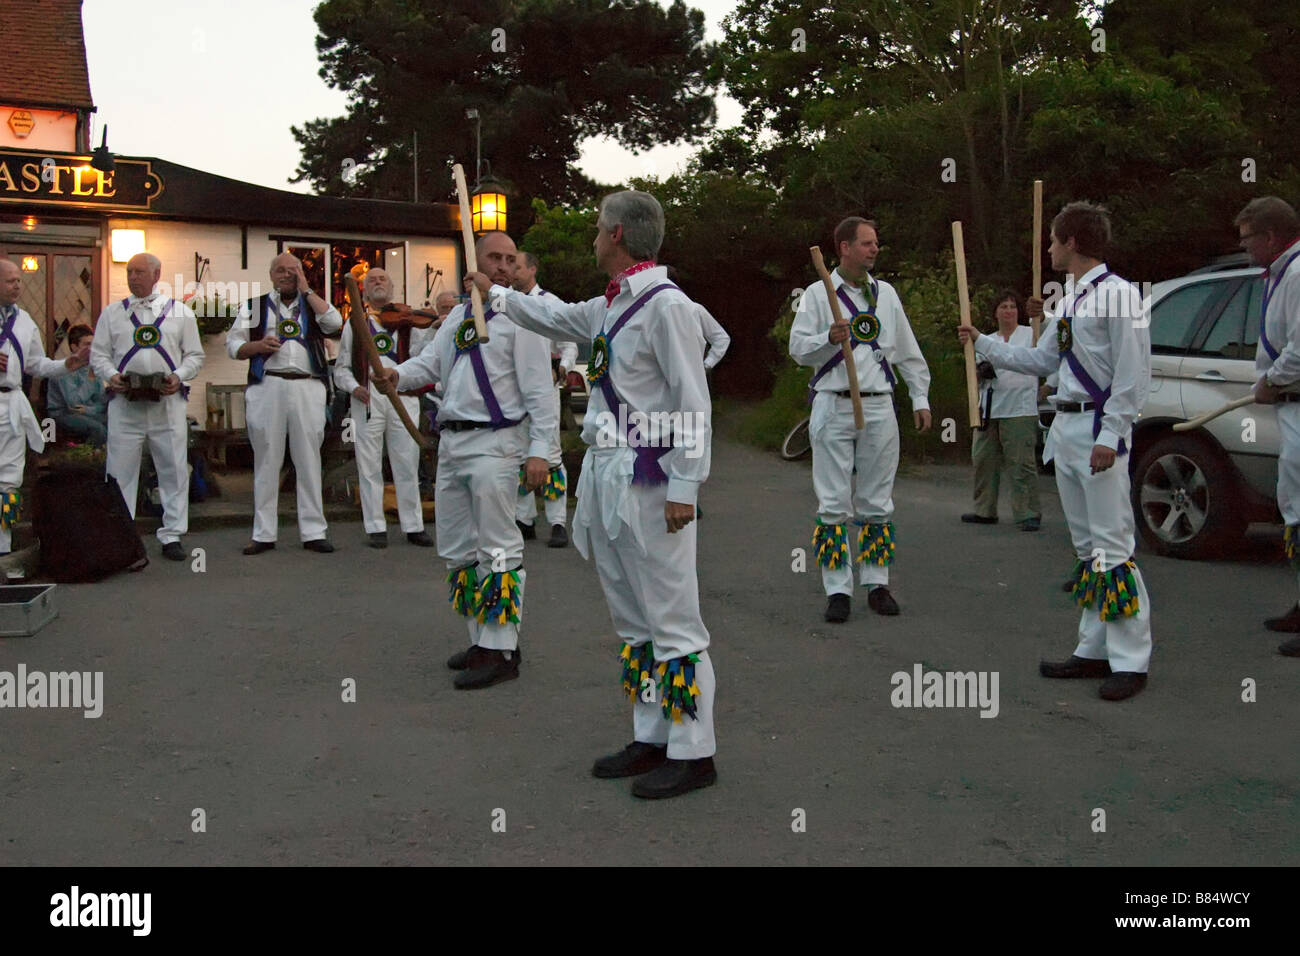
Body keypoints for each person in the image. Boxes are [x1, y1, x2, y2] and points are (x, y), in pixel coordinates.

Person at [465, 191, 717, 800]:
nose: (594, 235)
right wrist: (494, 293)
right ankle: (651, 734)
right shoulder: (610, 305)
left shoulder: (667, 306)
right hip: (606, 475)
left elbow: (693, 400)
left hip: (651, 478)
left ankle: (694, 751)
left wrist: (685, 485)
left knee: (673, 620)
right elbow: (551, 318)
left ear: (619, 235)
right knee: (633, 620)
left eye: (600, 227)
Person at [958, 201, 1153, 700]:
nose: (1047, 248)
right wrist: (982, 342)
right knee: (1087, 549)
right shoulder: (1070, 300)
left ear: (1072, 242)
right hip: (1065, 426)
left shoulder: (1119, 295)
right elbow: (1042, 360)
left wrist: (1111, 435)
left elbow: (1133, 373)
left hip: (1097, 428)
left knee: (1113, 546)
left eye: (1052, 240)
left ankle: (1131, 660)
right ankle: (1093, 647)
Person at [375, 231, 556, 691]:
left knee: (498, 547)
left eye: (510, 260)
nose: (503, 267)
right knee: (458, 549)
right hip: (452, 442)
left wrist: (541, 451)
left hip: (496, 443)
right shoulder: (456, 316)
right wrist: (396, 374)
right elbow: (430, 366)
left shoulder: (521, 316)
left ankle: (503, 650)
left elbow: (540, 390)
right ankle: (481, 640)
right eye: (494, 258)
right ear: (474, 262)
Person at [789, 216, 932, 623]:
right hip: (833, 403)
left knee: (876, 499)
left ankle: (877, 582)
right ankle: (837, 589)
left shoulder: (886, 294)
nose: (875, 249)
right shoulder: (818, 294)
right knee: (834, 501)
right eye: (867, 243)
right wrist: (828, 339)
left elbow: (906, 349)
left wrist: (919, 396)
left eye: (876, 243)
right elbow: (798, 349)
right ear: (845, 248)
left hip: (879, 404)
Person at [90, 253, 203, 562]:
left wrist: (178, 376)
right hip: (124, 406)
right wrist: (111, 375)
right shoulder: (112, 313)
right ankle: (122, 538)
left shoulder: (180, 313)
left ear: (157, 274)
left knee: (173, 469)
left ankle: (172, 535)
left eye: (139, 271)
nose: (132, 277)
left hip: (167, 405)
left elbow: (195, 355)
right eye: (129, 272)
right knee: (119, 471)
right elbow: (99, 354)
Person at [228, 253, 341, 555]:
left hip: (308, 385)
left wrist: (308, 290)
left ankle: (314, 531)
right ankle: (263, 533)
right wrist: (256, 346)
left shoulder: (313, 305)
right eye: (280, 270)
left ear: (302, 274)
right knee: (267, 459)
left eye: (294, 270)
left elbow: (334, 323)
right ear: (271, 275)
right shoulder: (254, 306)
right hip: (268, 385)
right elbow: (233, 346)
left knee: (309, 459)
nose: (287, 275)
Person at [333, 268, 434, 549]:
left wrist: (434, 324)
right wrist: (354, 387)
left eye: (382, 279)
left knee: (407, 462)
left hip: (402, 395)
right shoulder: (356, 322)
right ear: (364, 291)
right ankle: (375, 526)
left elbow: (424, 358)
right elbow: (341, 368)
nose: (377, 282)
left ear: (392, 288)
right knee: (368, 464)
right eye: (371, 280)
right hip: (367, 398)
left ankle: (413, 525)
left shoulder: (409, 323)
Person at [1240, 197, 1300, 658]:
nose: (1244, 247)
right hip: (1288, 405)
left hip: (1295, 399)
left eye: (1248, 239)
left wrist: (1272, 381)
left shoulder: (1297, 274)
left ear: (1271, 236)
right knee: (1292, 503)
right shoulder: (1281, 275)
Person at [0, 259, 90, 554]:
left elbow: (36, 364)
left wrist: (67, 364)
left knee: (9, 482)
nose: (17, 285)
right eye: (10, 280)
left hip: (12, 406)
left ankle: (3, 545)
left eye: (18, 280)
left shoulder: (24, 321)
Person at [962, 291, 1043, 531]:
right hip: (989, 408)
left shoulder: (1031, 334)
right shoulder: (984, 340)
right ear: (996, 313)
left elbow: (1052, 343)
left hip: (1019, 408)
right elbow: (976, 373)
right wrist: (980, 371)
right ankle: (984, 510)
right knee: (984, 461)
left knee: (1021, 463)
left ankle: (1027, 512)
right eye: (1003, 307)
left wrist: (1041, 316)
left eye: (1012, 306)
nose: (1008, 311)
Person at [511, 251, 574, 548]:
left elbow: (569, 343)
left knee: (550, 454)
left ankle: (557, 521)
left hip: (544, 389)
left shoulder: (550, 303)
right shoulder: (506, 303)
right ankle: (524, 519)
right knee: (519, 454)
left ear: (533, 269)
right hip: (513, 392)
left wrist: (562, 368)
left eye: (517, 266)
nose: (512, 272)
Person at [46, 324, 107, 446]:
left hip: (87, 413)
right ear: (74, 347)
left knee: (116, 423)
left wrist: (88, 410)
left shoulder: (92, 367)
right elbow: (74, 404)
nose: (92, 349)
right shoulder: (64, 369)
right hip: (63, 415)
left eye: (93, 344)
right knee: (98, 429)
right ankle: (87, 455)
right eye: (87, 344)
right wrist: (90, 379)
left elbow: (102, 402)